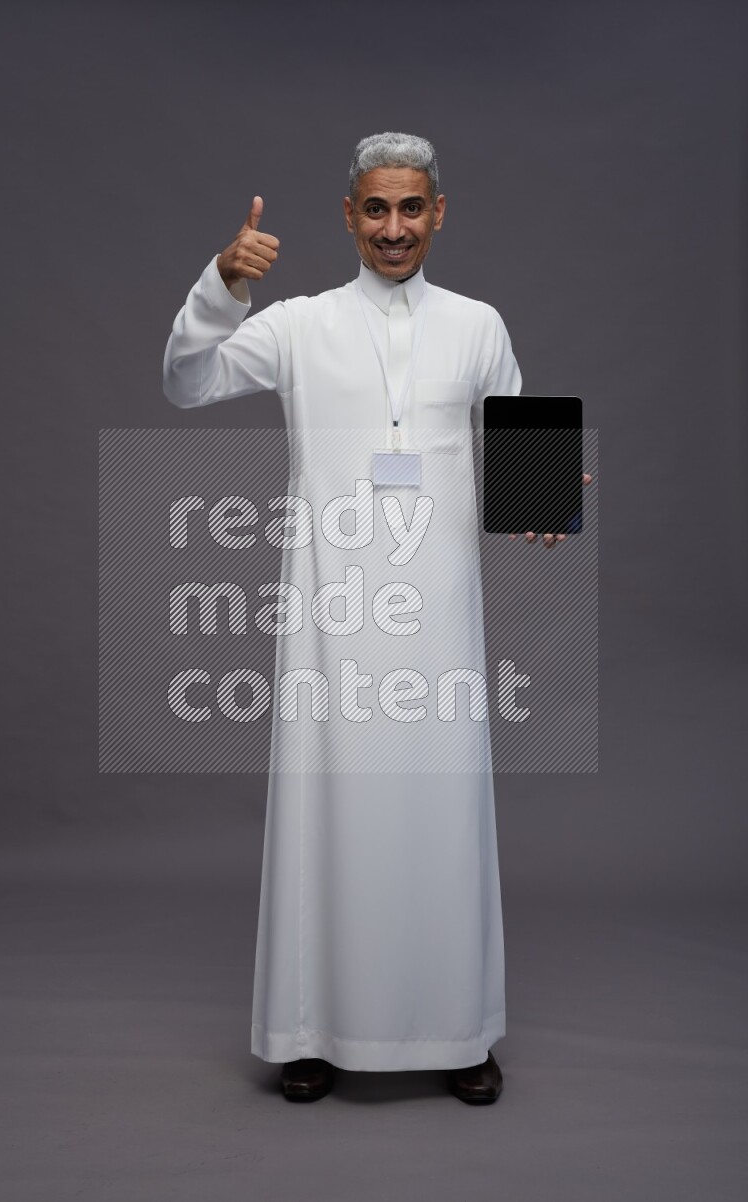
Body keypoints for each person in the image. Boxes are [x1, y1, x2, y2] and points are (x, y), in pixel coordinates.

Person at [163, 132, 584, 1105]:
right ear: (348, 215)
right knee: (328, 812)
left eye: (410, 208)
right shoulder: (299, 327)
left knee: (442, 816)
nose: (392, 228)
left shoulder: (478, 323)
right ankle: (312, 1030)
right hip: (330, 614)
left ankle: (459, 1028)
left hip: (436, 619)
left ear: (439, 212)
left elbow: (521, 453)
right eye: (374, 209)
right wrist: (220, 286)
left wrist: (542, 507)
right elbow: (184, 382)